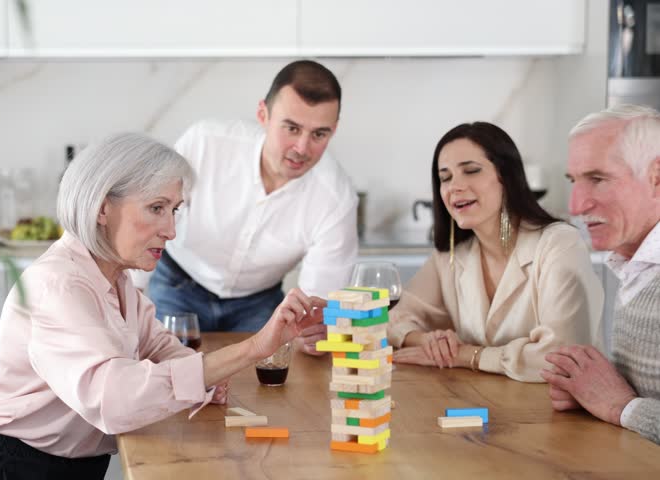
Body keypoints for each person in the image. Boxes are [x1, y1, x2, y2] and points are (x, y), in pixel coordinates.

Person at [0, 133, 323, 479]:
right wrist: (255, 347)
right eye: (156, 208)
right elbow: (114, 402)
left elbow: (161, 349)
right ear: (101, 208)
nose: (171, 230)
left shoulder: (116, 280)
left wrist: (207, 380)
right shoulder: (59, 286)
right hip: (12, 469)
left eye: (174, 210)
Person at [146, 60, 358, 354]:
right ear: (263, 114)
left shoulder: (336, 199)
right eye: (292, 128)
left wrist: (315, 335)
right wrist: (128, 291)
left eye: (319, 134)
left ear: (333, 130)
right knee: (163, 377)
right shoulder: (206, 143)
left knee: (262, 392)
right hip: (176, 286)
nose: (302, 148)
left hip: (258, 304)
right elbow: (150, 217)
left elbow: (318, 308)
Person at [388, 122, 602, 382]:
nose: (455, 186)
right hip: (485, 406)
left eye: (471, 171)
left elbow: (561, 358)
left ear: (506, 177)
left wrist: (466, 356)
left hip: (560, 414)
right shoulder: (453, 255)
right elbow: (391, 319)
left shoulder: (559, 244)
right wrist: (428, 340)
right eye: (445, 177)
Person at [541, 104, 660, 444]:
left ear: (656, 178)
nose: (576, 206)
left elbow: (624, 405)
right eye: (574, 180)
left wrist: (620, 405)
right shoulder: (635, 266)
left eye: (598, 179)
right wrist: (592, 392)